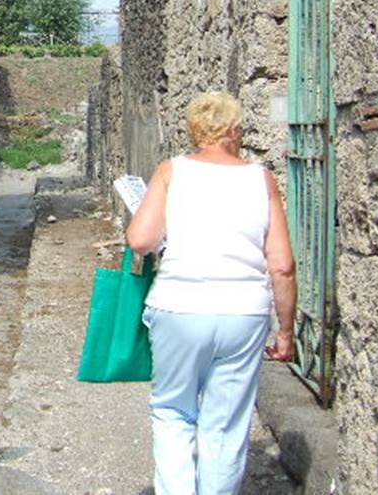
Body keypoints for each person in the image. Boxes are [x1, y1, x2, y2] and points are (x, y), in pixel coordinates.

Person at [126, 91, 297, 495]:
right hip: (243, 313)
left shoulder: (172, 171)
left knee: (172, 411)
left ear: (195, 129)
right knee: (225, 423)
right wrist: (286, 331)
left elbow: (140, 239)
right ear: (235, 129)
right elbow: (283, 266)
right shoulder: (262, 179)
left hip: (180, 307)